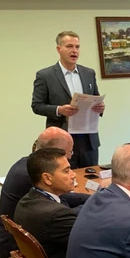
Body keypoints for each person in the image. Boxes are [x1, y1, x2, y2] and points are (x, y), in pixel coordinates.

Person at [0, 127, 89, 258]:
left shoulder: (29, 167)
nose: (70, 157)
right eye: (69, 153)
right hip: (14, 254)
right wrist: (96, 205)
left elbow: (61, 199)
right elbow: (60, 213)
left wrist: (95, 198)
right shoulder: (30, 177)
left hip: (25, 248)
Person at [31, 31, 105, 169]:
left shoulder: (88, 73)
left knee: (91, 177)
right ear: (58, 49)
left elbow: (96, 98)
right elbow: (36, 105)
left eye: (77, 47)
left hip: (88, 140)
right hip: (61, 139)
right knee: (64, 177)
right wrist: (59, 110)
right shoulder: (45, 75)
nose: (74, 50)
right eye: (69, 46)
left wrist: (100, 108)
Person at [13, 148, 79, 258]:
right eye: (66, 171)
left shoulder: (28, 198)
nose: (73, 175)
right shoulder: (57, 215)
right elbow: (91, 242)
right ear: (47, 178)